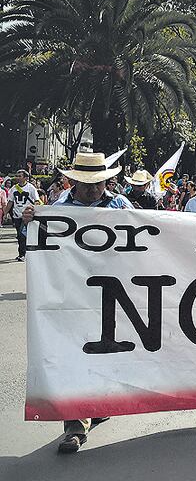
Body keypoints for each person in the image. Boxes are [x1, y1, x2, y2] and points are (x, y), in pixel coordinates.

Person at [20, 152, 132, 454]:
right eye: (88, 184)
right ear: (75, 181)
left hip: (112, 294)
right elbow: (40, 247)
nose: (94, 190)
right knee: (73, 353)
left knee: (103, 352)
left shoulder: (121, 206)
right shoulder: (58, 209)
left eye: (98, 184)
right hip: (72, 296)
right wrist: (32, 221)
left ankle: (96, 404)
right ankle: (74, 426)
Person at [3, 169, 40, 261]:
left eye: (20, 176)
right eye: (17, 176)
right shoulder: (14, 188)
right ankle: (22, 253)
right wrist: (5, 213)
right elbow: (10, 202)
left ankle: (23, 254)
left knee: (22, 234)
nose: (17, 178)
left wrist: (34, 211)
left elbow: (37, 201)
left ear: (25, 178)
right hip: (17, 215)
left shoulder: (31, 188)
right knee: (20, 236)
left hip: (27, 216)